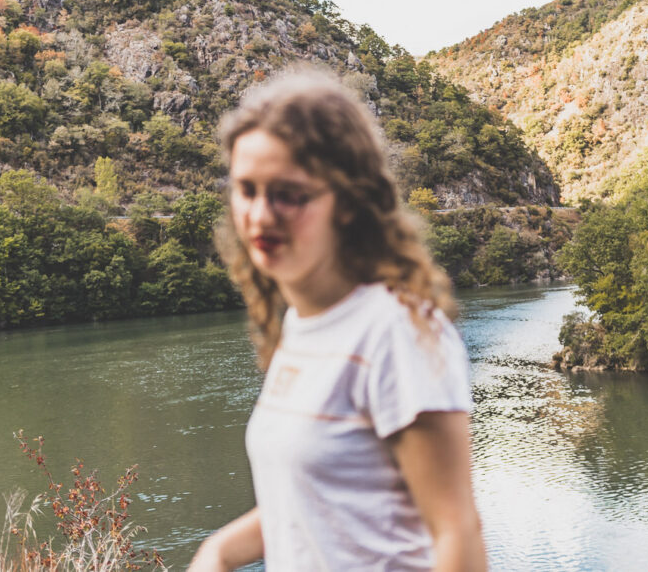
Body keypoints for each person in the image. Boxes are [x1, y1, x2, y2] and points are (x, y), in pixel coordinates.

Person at [189, 71, 486, 571]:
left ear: (347, 201)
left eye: (289, 193)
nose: (261, 215)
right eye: (247, 189)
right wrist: (217, 551)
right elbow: (316, 502)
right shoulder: (303, 327)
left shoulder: (395, 331)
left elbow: (457, 531)